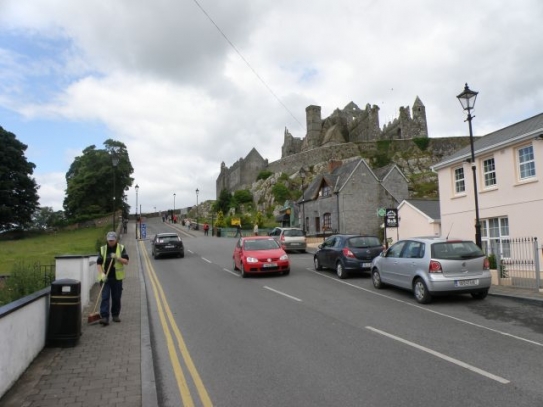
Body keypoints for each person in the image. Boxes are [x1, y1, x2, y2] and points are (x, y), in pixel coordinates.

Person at [96, 231, 129, 326]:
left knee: (116, 297)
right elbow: (99, 263)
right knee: (105, 297)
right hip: (105, 278)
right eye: (109, 240)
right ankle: (105, 317)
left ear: (116, 240)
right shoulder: (102, 249)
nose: (111, 242)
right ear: (107, 239)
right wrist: (102, 274)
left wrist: (118, 258)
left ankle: (115, 315)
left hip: (117, 278)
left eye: (112, 240)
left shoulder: (121, 248)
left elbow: (126, 261)